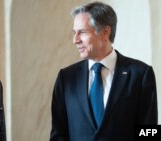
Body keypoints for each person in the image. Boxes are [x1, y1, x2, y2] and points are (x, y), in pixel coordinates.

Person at [50, 1, 157, 141]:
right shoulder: (66, 78)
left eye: (82, 32)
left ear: (105, 33)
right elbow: (58, 134)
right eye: (74, 33)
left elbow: (149, 132)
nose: (75, 40)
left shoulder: (141, 74)